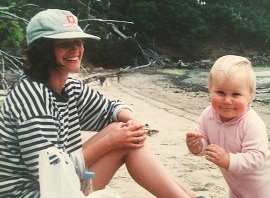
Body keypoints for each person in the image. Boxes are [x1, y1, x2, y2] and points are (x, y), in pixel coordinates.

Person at [0, 9, 197, 198]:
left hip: (57, 185)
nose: (76, 49)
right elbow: (50, 173)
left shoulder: (69, 87)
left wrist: (133, 122)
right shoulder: (32, 96)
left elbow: (111, 109)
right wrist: (112, 142)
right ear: (41, 50)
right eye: (64, 43)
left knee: (122, 130)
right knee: (122, 141)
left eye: (78, 42)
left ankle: (194, 197)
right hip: (36, 192)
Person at [186, 55, 270, 198]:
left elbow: (257, 158)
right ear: (210, 88)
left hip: (265, 188)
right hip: (236, 187)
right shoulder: (208, 114)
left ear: (250, 96)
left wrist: (228, 160)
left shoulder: (252, 123)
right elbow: (205, 143)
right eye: (220, 92)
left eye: (236, 94)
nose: (227, 100)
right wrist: (197, 146)